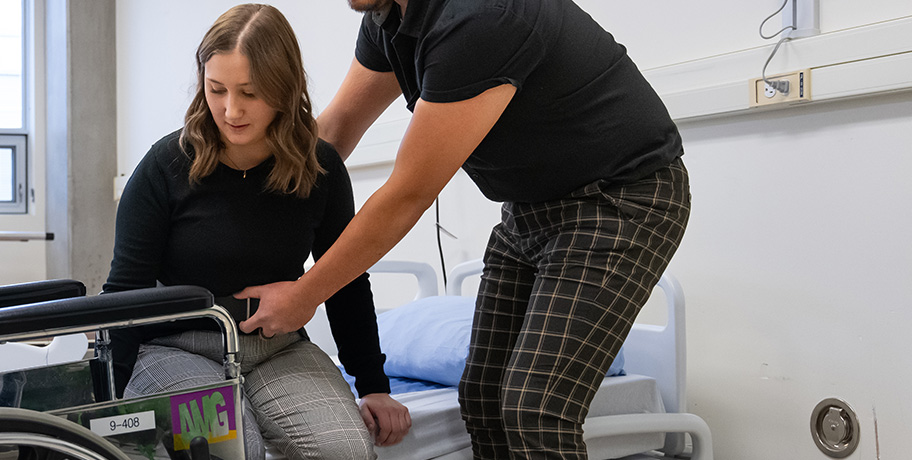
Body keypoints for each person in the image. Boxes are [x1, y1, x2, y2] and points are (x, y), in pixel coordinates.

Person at [236, 0, 692, 458]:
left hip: (621, 200)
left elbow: (407, 194)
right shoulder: (387, 15)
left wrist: (306, 293)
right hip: (530, 208)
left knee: (534, 408)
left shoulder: (480, 17)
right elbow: (335, 130)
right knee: (483, 397)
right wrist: (235, 206)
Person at [105, 5, 411, 459]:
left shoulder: (321, 167)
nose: (231, 110)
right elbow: (124, 292)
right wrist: (107, 393)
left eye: (250, 92)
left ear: (284, 89)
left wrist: (373, 385)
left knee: (346, 450)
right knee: (229, 450)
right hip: (176, 348)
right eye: (217, 89)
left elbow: (344, 281)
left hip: (278, 350)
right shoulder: (165, 165)